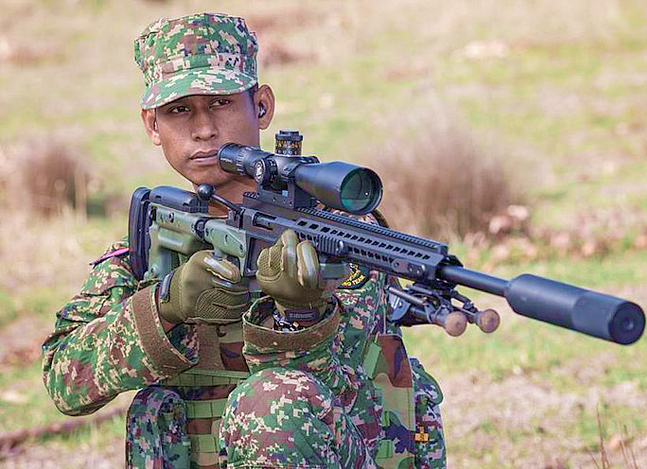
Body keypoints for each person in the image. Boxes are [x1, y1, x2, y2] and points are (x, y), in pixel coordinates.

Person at [42, 12, 446, 469]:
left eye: (220, 103)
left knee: (274, 401)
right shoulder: (157, 236)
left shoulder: (339, 234)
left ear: (262, 107)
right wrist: (166, 305)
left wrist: (300, 316)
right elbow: (64, 379)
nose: (203, 129)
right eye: (179, 111)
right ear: (152, 126)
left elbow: (352, 388)